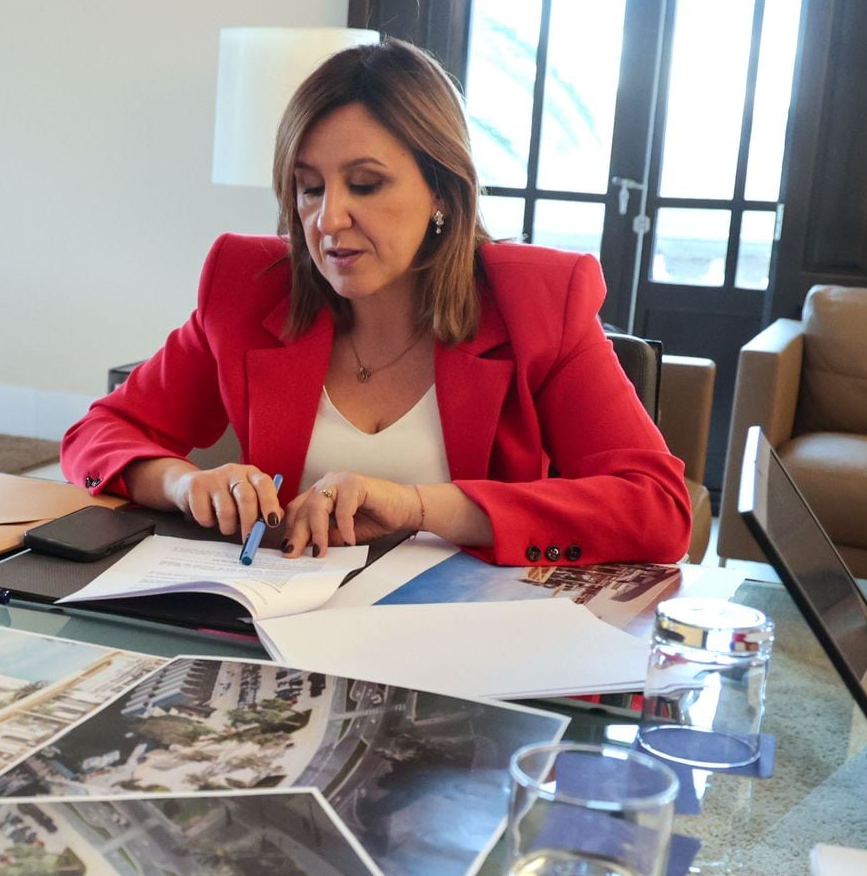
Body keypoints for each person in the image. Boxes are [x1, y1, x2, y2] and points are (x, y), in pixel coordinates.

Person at [62, 38, 690, 566]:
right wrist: (185, 482)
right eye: (309, 189)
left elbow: (658, 508)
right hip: (280, 633)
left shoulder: (538, 301)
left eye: (365, 184)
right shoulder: (247, 284)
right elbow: (98, 434)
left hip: (465, 648)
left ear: (442, 190)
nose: (328, 219)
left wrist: (419, 507)